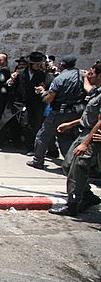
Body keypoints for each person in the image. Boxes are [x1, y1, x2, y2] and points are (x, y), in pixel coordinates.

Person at [49, 61, 101, 216]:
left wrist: (86, 143)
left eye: (91, 73)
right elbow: (90, 115)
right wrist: (71, 124)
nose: (88, 75)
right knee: (67, 165)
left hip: (91, 136)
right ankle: (88, 196)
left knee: (78, 169)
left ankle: (73, 205)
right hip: (84, 131)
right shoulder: (97, 92)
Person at [28, 55, 85, 168]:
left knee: (43, 135)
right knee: (65, 137)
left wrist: (42, 93)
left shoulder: (60, 78)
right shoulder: (81, 75)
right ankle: (72, 163)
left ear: (62, 64)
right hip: (75, 111)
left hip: (60, 112)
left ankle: (37, 160)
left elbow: (49, 98)